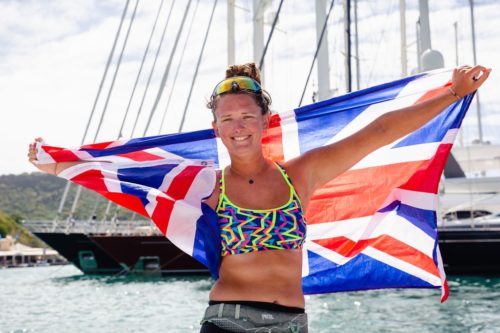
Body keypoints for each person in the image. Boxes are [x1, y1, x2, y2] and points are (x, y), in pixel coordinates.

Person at [29, 63, 490, 333]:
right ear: (216, 129)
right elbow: (126, 174)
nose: (238, 126)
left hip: (293, 323)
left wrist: (452, 93)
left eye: (247, 116)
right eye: (227, 119)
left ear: (265, 122)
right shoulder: (206, 184)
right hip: (228, 320)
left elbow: (379, 132)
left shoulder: (301, 175)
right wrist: (56, 164)